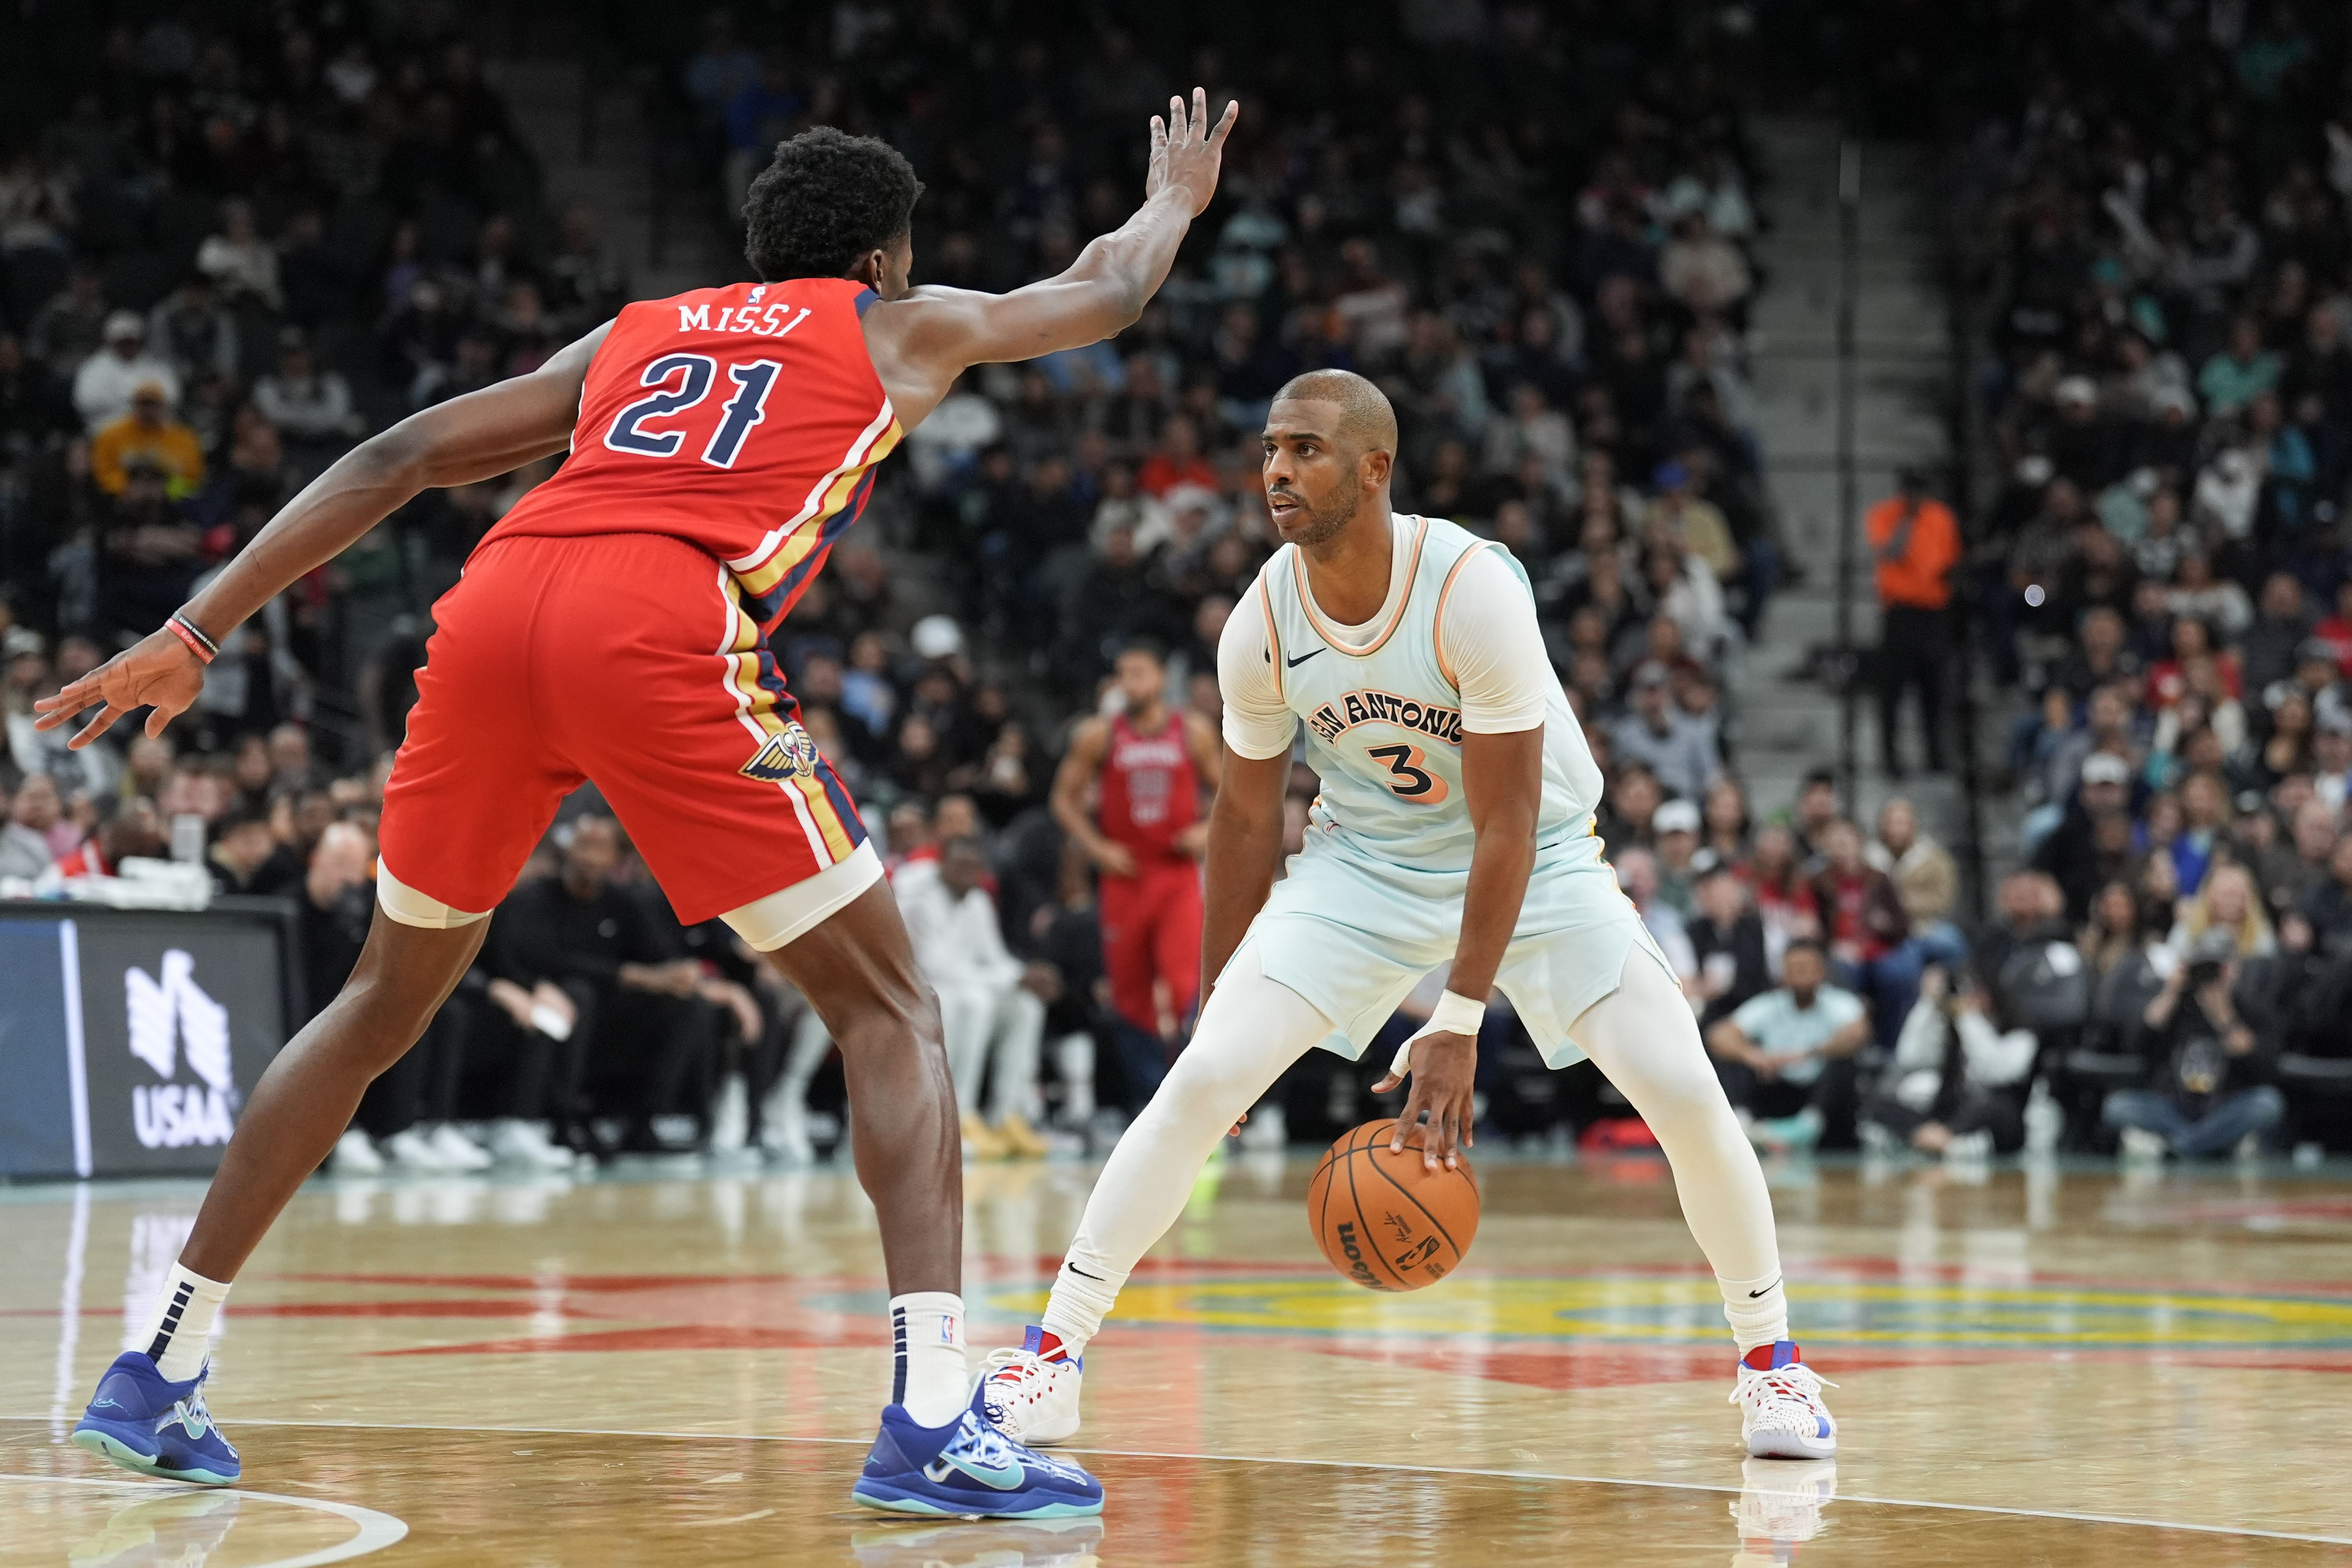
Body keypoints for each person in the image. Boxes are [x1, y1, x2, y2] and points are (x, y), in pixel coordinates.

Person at [44, 93, 1247, 1517]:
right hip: (657, 618)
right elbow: (1103, 289)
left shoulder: (634, 332)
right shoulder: (893, 329)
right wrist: (1172, 198)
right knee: (891, 1013)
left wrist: (195, 631)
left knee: (381, 998)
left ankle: (159, 1364)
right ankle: (933, 1418)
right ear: (885, 260)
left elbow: (395, 460)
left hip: (496, 602)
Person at [979, 369, 1837, 1463]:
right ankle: (1049, 1359)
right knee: (1196, 1079)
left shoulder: (1468, 587)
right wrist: (1218, 1005)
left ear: (1373, 467)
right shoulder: (1260, 621)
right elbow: (1244, 823)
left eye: (1305, 450)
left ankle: (1770, 1363)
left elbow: (1507, 821)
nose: (1276, 471)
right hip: (1362, 868)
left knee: (1677, 1082)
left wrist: (1460, 1018)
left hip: (1536, 865)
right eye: (1269, 451)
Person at [1050, 640, 1219, 1105]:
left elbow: (1232, 792)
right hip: (1125, 875)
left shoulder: (1193, 730)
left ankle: (1193, 1100)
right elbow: (1063, 799)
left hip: (1176, 875)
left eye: (1140, 672)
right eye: (1123, 673)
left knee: (1186, 985)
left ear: (1162, 678)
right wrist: (1097, 846)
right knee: (1130, 994)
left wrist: (1206, 830)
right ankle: (1146, 1101)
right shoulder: (1100, 733)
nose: (1131, 682)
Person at [896, 836, 1055, 1158]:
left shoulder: (978, 901)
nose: (970, 875)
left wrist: (1022, 975)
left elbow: (993, 957)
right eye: (961, 867)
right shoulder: (919, 901)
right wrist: (1013, 978)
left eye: (976, 868)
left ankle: (1007, 1114)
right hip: (924, 992)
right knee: (975, 1002)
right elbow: (935, 967)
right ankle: (961, 1114)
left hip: (969, 988)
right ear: (943, 865)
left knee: (1026, 1005)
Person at [2102, 931, 2284, 1159]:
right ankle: (2210, 1142)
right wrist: (2171, 991)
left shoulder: (2249, 1006)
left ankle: (2184, 1146)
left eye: (2221, 967)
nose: (2214, 975)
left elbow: (2262, 1064)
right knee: (2117, 1106)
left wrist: (2223, 1016)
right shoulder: (2178, 1007)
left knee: (2268, 1103)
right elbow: (2139, 1043)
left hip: (2225, 1106)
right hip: (2175, 1107)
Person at [1704, 938, 1870, 1154]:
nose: (1800, 975)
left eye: (1806, 968)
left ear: (1822, 971)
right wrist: (1754, 1056)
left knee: (1844, 1062)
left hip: (1820, 1094)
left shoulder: (1840, 1002)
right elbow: (1719, 1036)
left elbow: (1857, 1034)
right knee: (1729, 1055)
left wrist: (1809, 1054)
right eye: (1793, 969)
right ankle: (1742, 1122)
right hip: (1776, 1086)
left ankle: (1807, 1126)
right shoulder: (1769, 1004)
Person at [1866, 468, 1959, 777]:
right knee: (1892, 691)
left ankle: (1935, 755)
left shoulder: (1942, 518)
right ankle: (1890, 758)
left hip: (1932, 614)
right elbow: (1890, 552)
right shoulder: (1885, 515)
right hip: (1899, 612)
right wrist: (1907, 519)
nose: (1915, 497)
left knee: (1932, 688)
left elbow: (1946, 563)